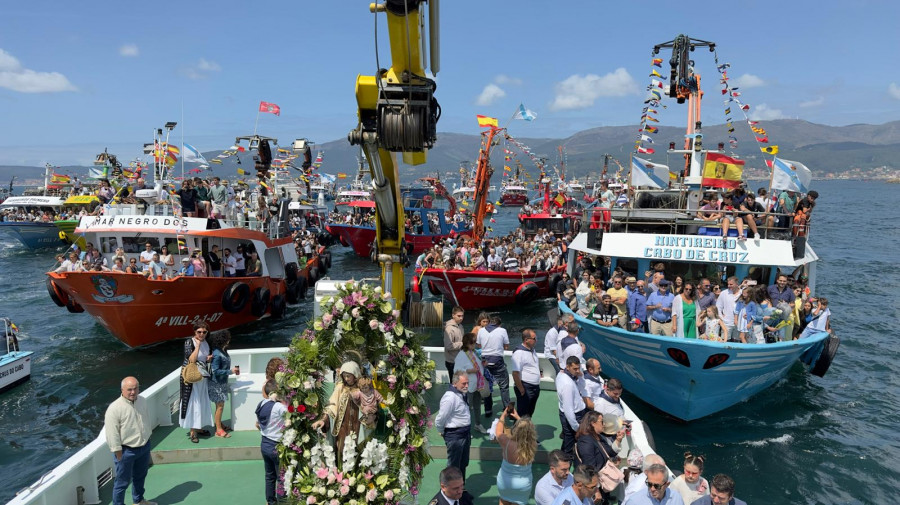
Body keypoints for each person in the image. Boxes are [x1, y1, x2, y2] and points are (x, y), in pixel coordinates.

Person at [104, 376, 156, 505]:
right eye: (129, 389)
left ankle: (138, 500)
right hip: (126, 451)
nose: (133, 392)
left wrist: (148, 437)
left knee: (140, 476)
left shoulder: (142, 401)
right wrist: (118, 452)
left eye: (135, 388)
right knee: (122, 483)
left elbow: (146, 420)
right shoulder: (114, 408)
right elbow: (112, 433)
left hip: (143, 447)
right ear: (122, 390)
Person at [312, 361, 363, 459]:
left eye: (348, 376)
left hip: (357, 423)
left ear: (355, 375)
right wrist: (323, 419)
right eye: (344, 376)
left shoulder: (362, 387)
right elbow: (332, 405)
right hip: (343, 425)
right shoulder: (340, 387)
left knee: (358, 449)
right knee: (341, 448)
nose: (346, 379)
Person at [434, 371, 472, 481]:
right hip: (455, 436)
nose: (467, 386)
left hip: (465, 434)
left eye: (467, 383)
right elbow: (441, 418)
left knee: (463, 463)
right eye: (464, 383)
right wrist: (441, 430)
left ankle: (461, 490)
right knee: (453, 468)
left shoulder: (462, 393)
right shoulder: (450, 398)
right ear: (454, 383)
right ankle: (450, 494)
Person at [495, 408, 538, 505]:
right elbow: (527, 429)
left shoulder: (507, 442)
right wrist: (519, 418)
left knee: (503, 501)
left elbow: (498, 432)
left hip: (505, 482)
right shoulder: (533, 444)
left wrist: (503, 416)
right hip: (523, 485)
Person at [179, 322, 213, 443]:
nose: (202, 334)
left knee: (201, 401)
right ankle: (193, 431)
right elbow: (191, 359)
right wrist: (197, 346)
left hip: (202, 377)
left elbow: (204, 358)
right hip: (191, 377)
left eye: (204, 332)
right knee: (193, 402)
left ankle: (199, 427)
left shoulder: (207, 343)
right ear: (194, 332)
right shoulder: (190, 342)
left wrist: (209, 358)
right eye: (199, 332)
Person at [256, 379, 287, 505]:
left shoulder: (261, 404)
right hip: (276, 445)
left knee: (269, 475)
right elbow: (291, 414)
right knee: (281, 477)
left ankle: (270, 501)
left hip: (264, 443)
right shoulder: (279, 407)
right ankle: (282, 501)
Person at [454, 332, 488, 434]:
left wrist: (483, 365)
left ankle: (477, 424)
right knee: (466, 408)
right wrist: (470, 371)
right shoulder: (461, 355)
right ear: (467, 343)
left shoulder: (474, 353)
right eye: (472, 343)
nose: (474, 345)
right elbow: (457, 370)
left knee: (477, 406)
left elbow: (478, 366)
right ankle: (465, 428)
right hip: (468, 386)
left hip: (477, 385)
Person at [207, 330, 239, 438]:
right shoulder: (217, 353)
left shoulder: (222, 350)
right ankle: (218, 430)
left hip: (222, 382)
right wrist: (231, 371)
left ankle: (219, 424)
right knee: (220, 406)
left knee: (220, 405)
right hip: (216, 384)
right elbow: (215, 371)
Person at [478, 315, 511, 412]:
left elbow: (479, 345)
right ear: (499, 325)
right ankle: (506, 409)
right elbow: (506, 347)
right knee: (504, 386)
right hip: (498, 361)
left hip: (485, 361)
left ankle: (488, 410)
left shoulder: (481, 330)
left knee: (487, 385)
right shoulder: (502, 330)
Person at [556, 356, 588, 456]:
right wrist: (576, 427)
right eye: (575, 369)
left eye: (578, 368)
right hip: (574, 416)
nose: (577, 371)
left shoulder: (562, 375)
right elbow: (568, 409)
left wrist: (580, 376)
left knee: (567, 443)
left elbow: (582, 387)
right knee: (569, 447)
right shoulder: (568, 384)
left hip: (572, 415)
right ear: (568, 367)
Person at [511, 328, 541, 418]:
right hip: (526, 387)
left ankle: (526, 431)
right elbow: (515, 373)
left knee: (529, 413)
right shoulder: (519, 353)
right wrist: (521, 389)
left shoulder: (532, 350)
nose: (536, 340)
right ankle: (517, 431)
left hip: (535, 387)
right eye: (534, 338)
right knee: (522, 414)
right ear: (526, 340)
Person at [715, 276, 742, 342]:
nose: (729, 286)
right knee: (725, 341)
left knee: (737, 342)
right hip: (727, 323)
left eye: (731, 284)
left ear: (736, 284)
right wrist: (721, 318)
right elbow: (718, 307)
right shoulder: (724, 293)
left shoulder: (742, 293)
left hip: (740, 323)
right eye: (728, 284)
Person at [444, 306, 465, 378]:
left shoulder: (460, 326)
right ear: (453, 315)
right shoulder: (449, 328)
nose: (461, 318)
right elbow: (448, 346)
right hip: (452, 361)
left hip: (459, 360)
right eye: (459, 316)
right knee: (454, 384)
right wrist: (462, 344)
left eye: (462, 316)